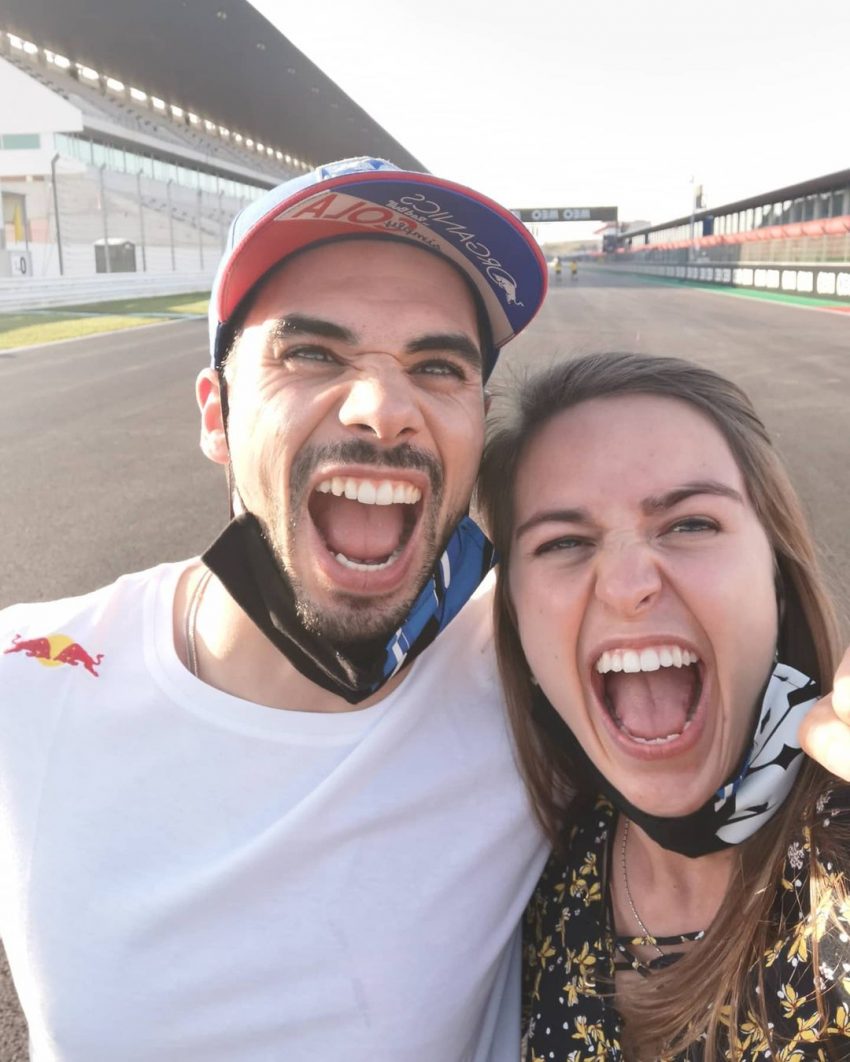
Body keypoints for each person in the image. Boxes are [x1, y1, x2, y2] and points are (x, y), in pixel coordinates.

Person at [0, 157, 551, 1061]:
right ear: (217, 415)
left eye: (436, 366)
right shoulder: (24, 680)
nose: (383, 409)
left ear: (476, 420)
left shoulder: (542, 682)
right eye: (313, 354)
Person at [477, 352, 850, 1060]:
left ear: (776, 577)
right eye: (563, 542)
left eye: (690, 524)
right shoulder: (528, 871)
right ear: (517, 621)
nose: (627, 585)